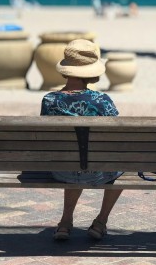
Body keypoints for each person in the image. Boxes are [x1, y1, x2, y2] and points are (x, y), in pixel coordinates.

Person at [40, 39, 123, 241]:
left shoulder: (49, 101)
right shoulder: (103, 101)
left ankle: (65, 222)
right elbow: (117, 135)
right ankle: (101, 221)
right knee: (123, 162)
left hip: (61, 171)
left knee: (73, 157)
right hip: (97, 173)